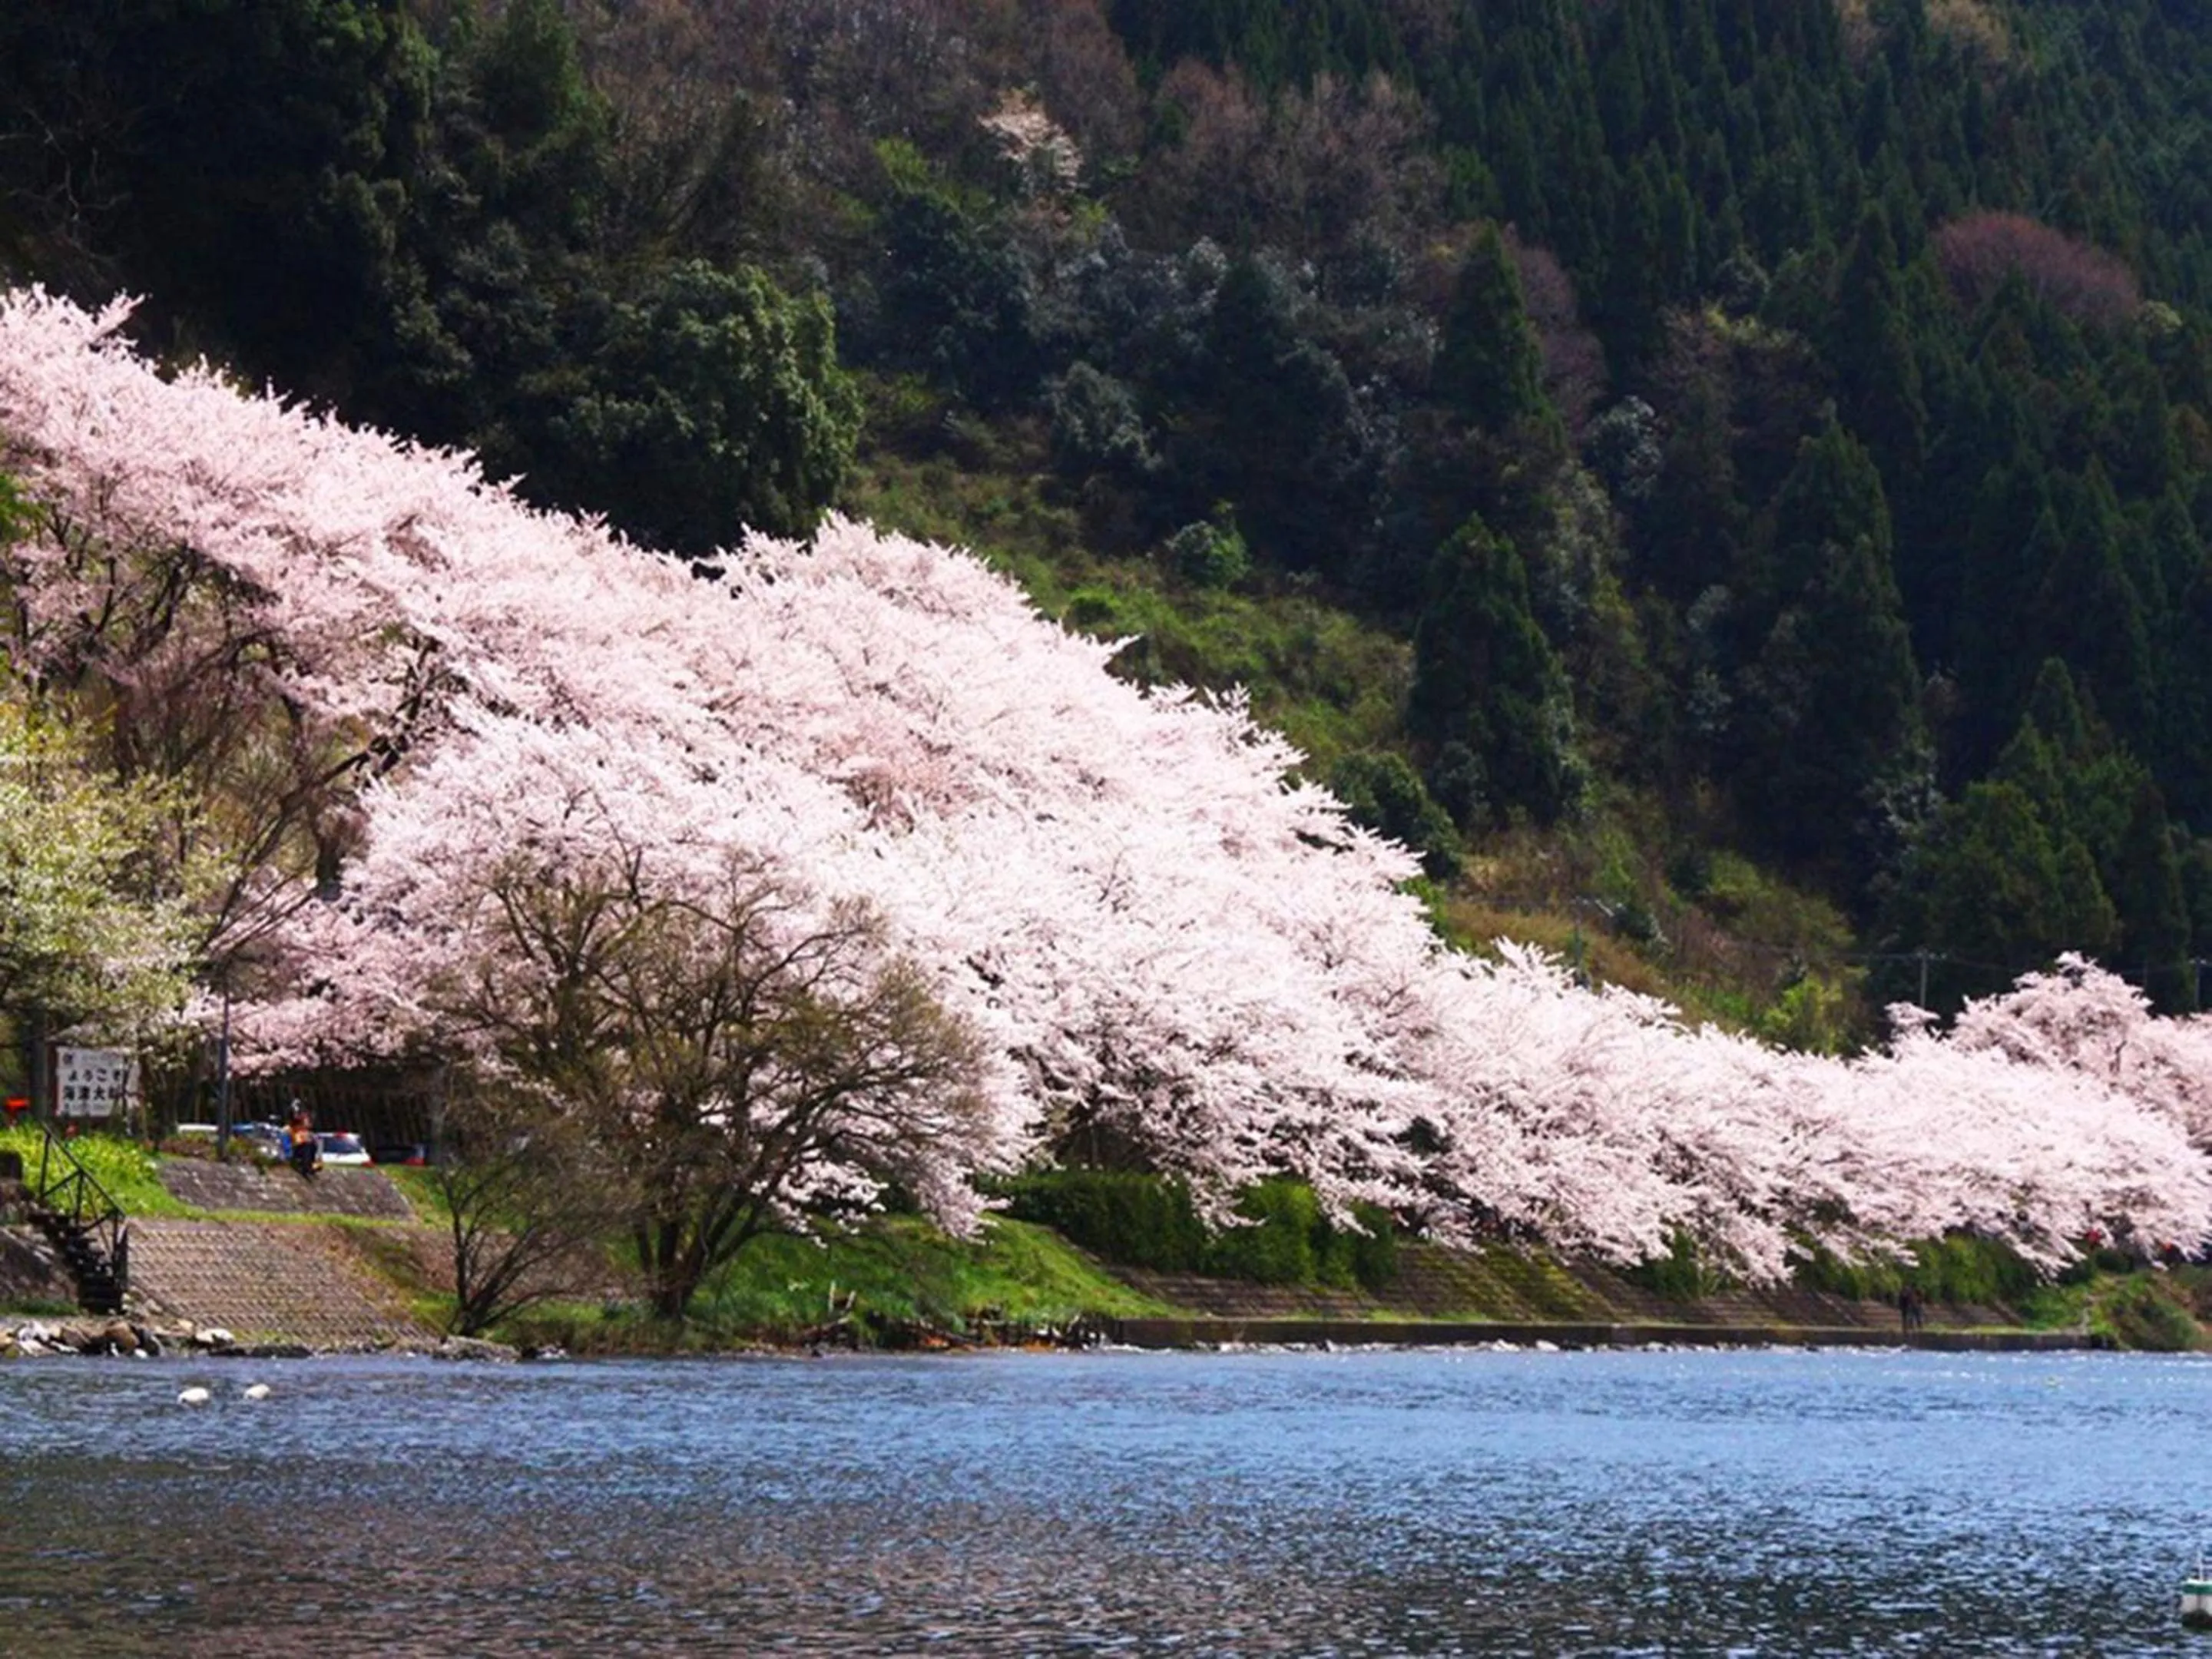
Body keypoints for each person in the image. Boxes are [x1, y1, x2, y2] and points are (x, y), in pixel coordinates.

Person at [285, 1101, 320, 1179]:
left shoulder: (305, 1129)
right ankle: (306, 1167)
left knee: (312, 1145)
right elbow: (294, 1118)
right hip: (296, 1147)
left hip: (304, 1145)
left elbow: (308, 1124)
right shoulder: (293, 1126)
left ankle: (309, 1165)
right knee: (307, 1146)